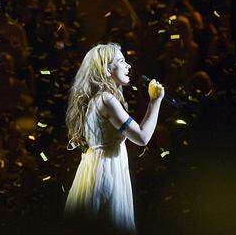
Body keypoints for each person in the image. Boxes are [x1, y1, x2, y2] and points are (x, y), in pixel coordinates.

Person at [63, 43, 165, 234]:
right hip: (106, 173)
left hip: (93, 169)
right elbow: (142, 137)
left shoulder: (94, 100)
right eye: (121, 61)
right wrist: (155, 101)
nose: (128, 66)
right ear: (106, 69)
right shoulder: (106, 100)